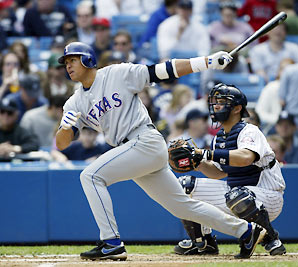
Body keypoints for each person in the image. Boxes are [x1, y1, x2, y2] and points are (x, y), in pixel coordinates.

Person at [55, 41, 266, 261]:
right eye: (66, 62)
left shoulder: (116, 74)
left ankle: (111, 242)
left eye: (73, 60)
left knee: (90, 176)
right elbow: (62, 144)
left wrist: (207, 62)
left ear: (88, 59)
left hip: (144, 140)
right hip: (132, 151)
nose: (68, 66)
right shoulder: (74, 102)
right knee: (182, 207)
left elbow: (163, 70)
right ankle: (246, 231)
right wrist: (65, 128)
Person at [170, 83, 286, 258]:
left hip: (268, 196)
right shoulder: (219, 137)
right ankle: (203, 242)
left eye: (222, 102)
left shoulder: (250, 131)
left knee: (237, 195)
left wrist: (206, 153)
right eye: (215, 101)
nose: (216, 106)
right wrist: (198, 162)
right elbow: (219, 173)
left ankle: (270, 238)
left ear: (237, 108)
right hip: (237, 195)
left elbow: (246, 157)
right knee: (184, 185)